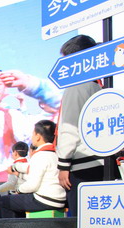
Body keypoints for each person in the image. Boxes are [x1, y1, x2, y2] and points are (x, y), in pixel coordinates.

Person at [0, 69, 61, 173]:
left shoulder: (16, 115)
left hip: (16, 171)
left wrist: (28, 84)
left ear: (6, 88)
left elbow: (29, 137)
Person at [56, 35, 104, 216]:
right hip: (101, 162)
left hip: (82, 166)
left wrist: (63, 166)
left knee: (80, 220)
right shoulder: (99, 86)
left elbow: (70, 129)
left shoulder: (75, 87)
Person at [0, 120, 66, 218]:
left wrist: (18, 190)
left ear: (38, 136)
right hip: (59, 198)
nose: (32, 136)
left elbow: (32, 185)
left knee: (3, 201)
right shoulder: (56, 153)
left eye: (33, 133)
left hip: (45, 199)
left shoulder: (39, 155)